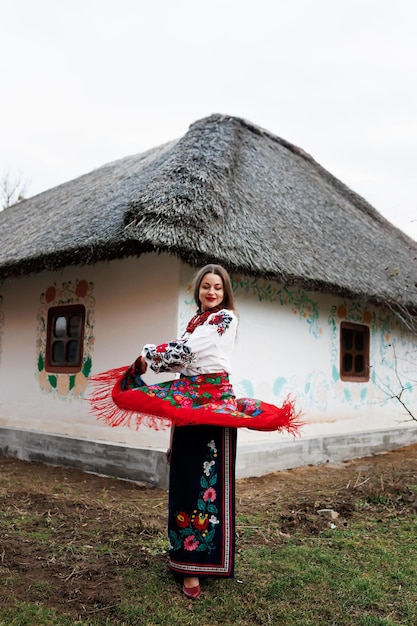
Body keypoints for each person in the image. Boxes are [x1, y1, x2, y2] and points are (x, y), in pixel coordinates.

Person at [90, 263, 300, 600]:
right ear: (198, 291)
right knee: (184, 482)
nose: (212, 292)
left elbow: (187, 353)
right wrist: (155, 365)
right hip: (187, 402)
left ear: (225, 292)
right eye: (206, 286)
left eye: (217, 287)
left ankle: (201, 565)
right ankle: (184, 561)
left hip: (214, 407)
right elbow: (181, 361)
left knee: (208, 485)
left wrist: (146, 356)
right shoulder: (195, 322)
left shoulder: (225, 319)